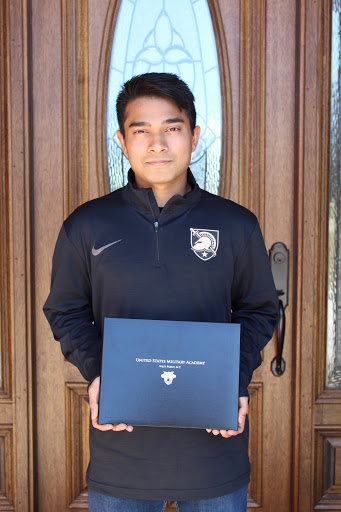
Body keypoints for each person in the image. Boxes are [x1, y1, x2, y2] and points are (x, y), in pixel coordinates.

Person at [43, 72, 278, 512]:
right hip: (123, 452)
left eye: (172, 128)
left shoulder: (236, 224)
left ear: (194, 135)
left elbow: (260, 309)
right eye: (141, 130)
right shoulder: (87, 225)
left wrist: (234, 378)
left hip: (213, 450)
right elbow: (66, 309)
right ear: (122, 140)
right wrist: (99, 373)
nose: (157, 144)